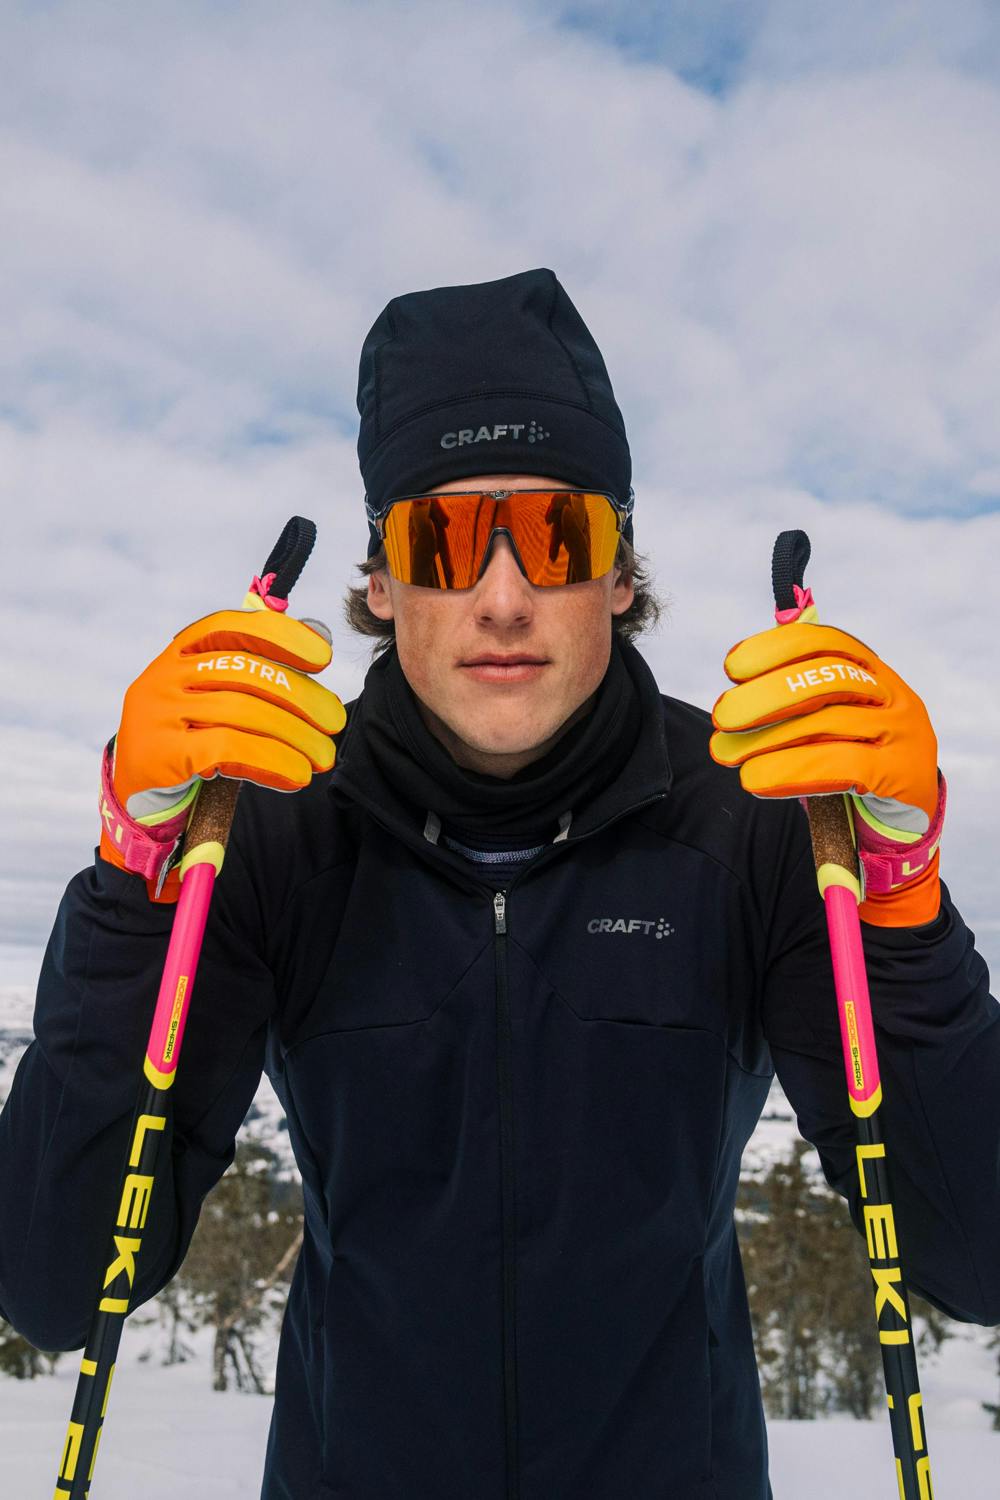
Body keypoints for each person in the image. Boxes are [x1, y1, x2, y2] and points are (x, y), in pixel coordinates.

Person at [1, 267, 997, 1500]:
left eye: (561, 535)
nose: (505, 596)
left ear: (620, 575)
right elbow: (54, 1277)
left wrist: (899, 903)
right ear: (379, 583)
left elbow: (974, 1253)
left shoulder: (753, 822)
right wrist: (133, 877)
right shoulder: (266, 830)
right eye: (446, 539)